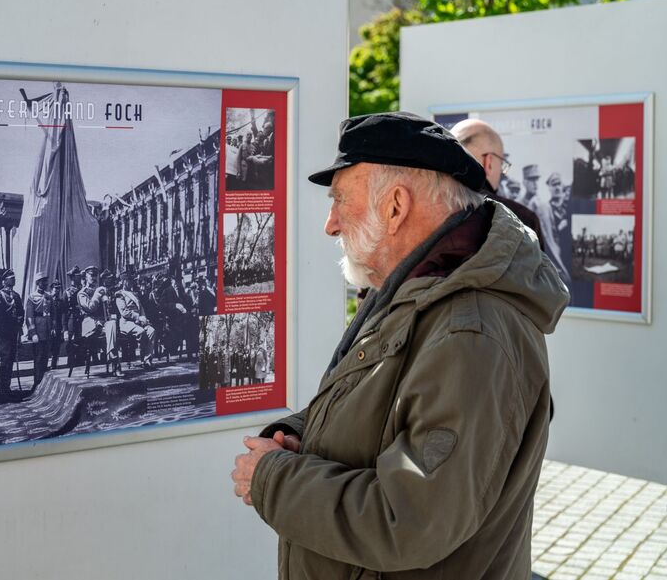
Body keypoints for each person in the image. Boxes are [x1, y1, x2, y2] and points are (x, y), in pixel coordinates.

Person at [231, 112, 568, 580]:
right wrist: (297, 436)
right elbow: (379, 406)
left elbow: (409, 519)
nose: (330, 224)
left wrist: (274, 480)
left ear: (394, 207)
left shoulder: (470, 332)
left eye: (340, 201)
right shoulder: (416, 294)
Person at [451, 118, 545, 249]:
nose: (502, 173)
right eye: (501, 164)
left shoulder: (426, 206)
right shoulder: (523, 220)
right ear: (488, 162)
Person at [76, 266, 118, 377]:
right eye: (91, 275)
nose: (93, 278)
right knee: (110, 331)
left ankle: (113, 361)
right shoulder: (82, 293)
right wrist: (98, 295)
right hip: (89, 325)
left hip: (102, 324)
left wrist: (107, 300)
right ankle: (115, 365)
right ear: (86, 276)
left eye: (95, 275)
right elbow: (90, 308)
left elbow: (107, 310)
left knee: (112, 324)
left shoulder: (101, 290)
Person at [115, 271, 156, 368]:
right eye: (130, 281)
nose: (132, 283)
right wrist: (138, 317)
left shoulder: (134, 294)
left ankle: (147, 359)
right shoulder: (119, 295)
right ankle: (144, 359)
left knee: (151, 331)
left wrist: (144, 318)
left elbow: (141, 308)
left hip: (138, 321)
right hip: (127, 323)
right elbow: (124, 312)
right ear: (124, 282)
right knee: (141, 332)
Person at [0, 269, 24, 394]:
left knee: (10, 359)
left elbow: (21, 312)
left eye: (14, 277)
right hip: (3, 333)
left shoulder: (16, 296)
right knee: (5, 360)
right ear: (5, 281)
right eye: (11, 278)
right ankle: (3, 388)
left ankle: (7, 387)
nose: (14, 279)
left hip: (13, 332)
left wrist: (19, 322)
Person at [25, 271, 54, 388]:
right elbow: (29, 316)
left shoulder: (49, 296)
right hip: (38, 328)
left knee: (46, 356)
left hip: (47, 329)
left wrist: (52, 328)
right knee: (38, 357)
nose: (45, 283)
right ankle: (37, 382)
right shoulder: (32, 297)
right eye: (42, 281)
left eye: (46, 281)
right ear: (38, 283)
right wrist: (33, 333)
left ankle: (44, 383)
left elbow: (52, 313)